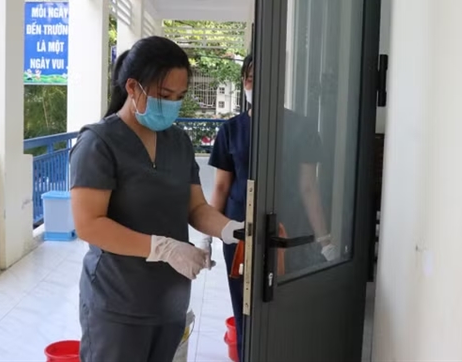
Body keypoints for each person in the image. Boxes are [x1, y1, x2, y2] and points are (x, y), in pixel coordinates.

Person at [69, 36, 244, 362]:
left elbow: (196, 207)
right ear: (132, 87)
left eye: (179, 97)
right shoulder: (98, 144)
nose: (172, 105)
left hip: (169, 301)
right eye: (164, 96)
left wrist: (229, 228)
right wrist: (163, 248)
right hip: (117, 304)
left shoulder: (178, 142)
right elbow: (89, 225)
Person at [206, 54, 337, 362]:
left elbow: (309, 187)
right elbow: (222, 187)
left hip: (287, 233)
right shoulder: (231, 130)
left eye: (263, 78)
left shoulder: (302, 127)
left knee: (286, 307)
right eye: (250, 78)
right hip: (240, 234)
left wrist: (324, 239)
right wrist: (207, 236)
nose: (255, 85)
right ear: (244, 82)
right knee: (244, 310)